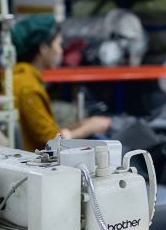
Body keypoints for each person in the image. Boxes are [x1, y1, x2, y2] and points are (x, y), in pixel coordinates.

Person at [11, 14, 112, 151]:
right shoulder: (28, 87)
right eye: (58, 44)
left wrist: (80, 125)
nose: (61, 51)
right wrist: (89, 128)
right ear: (43, 48)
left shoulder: (19, 77)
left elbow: (44, 130)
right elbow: (51, 142)